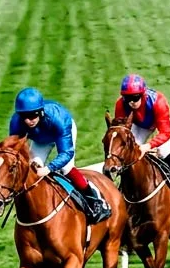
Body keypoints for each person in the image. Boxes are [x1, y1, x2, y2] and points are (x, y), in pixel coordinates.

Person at [8, 87, 111, 223]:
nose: (28, 121)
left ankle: (95, 199)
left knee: (66, 168)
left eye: (33, 115)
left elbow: (66, 153)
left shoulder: (59, 119)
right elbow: (16, 149)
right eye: (24, 116)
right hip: (40, 140)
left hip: (60, 132)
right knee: (32, 170)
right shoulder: (16, 122)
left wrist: (49, 168)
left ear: (41, 111)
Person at [112, 73, 170, 200]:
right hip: (140, 125)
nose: (131, 103)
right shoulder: (120, 105)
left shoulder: (158, 102)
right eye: (127, 99)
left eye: (135, 98)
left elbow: (166, 132)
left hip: (158, 123)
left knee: (163, 151)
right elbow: (121, 130)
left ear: (143, 95)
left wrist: (148, 146)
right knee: (128, 152)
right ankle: (124, 186)